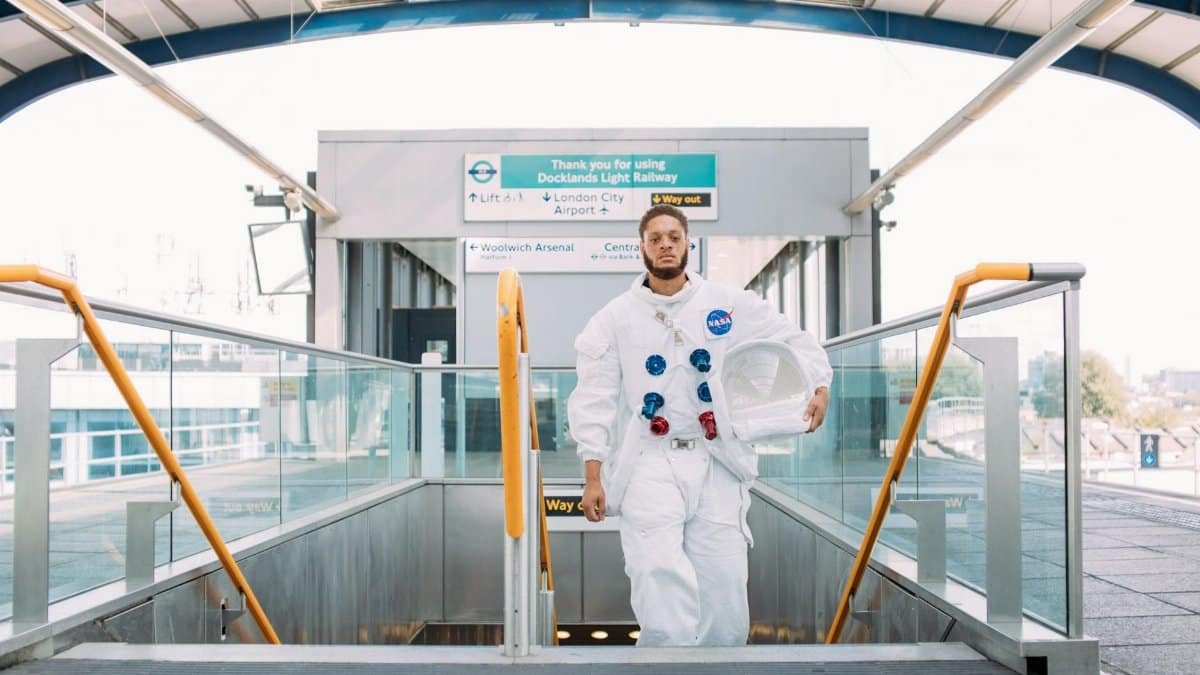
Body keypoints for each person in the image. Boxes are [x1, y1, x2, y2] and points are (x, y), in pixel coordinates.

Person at [566, 204, 832, 647]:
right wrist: (593, 474)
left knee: (725, 584)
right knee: (657, 579)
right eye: (655, 238)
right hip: (649, 462)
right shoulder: (614, 318)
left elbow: (792, 337)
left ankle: (722, 666)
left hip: (716, 460)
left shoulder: (727, 304)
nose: (665, 245)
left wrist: (818, 384)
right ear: (642, 248)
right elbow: (593, 397)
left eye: (674, 236)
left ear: (689, 243)